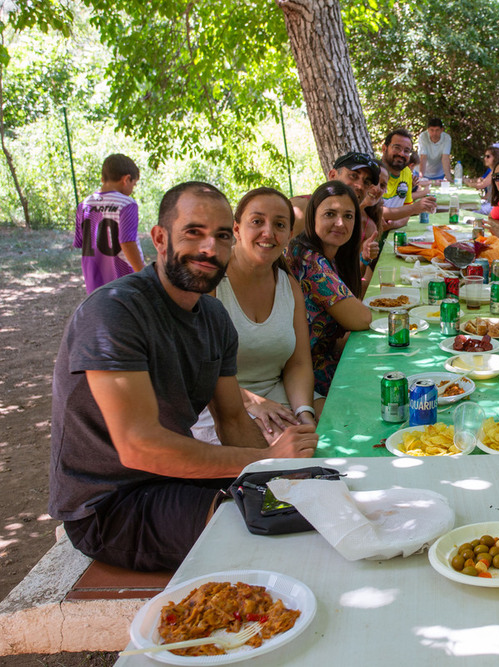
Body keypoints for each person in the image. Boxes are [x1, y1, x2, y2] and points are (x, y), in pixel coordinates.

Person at [49, 181, 319, 571]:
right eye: (194, 232)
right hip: (108, 504)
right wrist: (264, 458)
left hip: (175, 479)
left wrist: (274, 474)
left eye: (222, 236)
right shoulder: (114, 313)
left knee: (309, 503)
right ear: (160, 238)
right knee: (263, 535)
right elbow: (139, 446)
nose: (210, 249)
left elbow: (231, 418)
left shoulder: (214, 319)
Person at [190, 188, 319, 446]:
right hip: (220, 405)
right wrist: (254, 404)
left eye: (279, 224)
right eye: (257, 222)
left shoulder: (289, 286)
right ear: (236, 229)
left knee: (344, 422)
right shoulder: (211, 283)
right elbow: (197, 372)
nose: (268, 232)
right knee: (293, 452)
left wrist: (305, 413)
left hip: (279, 397)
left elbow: (298, 364)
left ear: (289, 235)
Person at [286, 180, 373, 396]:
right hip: (305, 372)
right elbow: (361, 318)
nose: (341, 223)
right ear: (312, 216)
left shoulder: (333, 254)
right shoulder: (308, 258)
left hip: (322, 357)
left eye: (348, 216)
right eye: (330, 214)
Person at [73, 154, 145, 293]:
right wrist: (143, 274)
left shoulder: (84, 205)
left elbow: (80, 242)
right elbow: (127, 242)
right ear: (126, 179)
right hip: (124, 280)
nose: (132, 189)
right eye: (133, 184)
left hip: (94, 281)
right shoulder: (126, 203)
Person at [329, 151, 383, 272]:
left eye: (366, 182)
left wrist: (364, 258)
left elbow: (352, 278)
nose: (360, 186)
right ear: (332, 175)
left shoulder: (363, 225)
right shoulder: (303, 209)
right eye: (353, 176)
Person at [380, 128, 436, 228]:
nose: (401, 154)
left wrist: (393, 224)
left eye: (406, 151)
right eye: (397, 148)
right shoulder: (372, 173)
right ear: (384, 149)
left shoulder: (406, 172)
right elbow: (375, 212)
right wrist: (414, 208)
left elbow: (406, 214)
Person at [417, 117, 452, 183]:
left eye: (437, 130)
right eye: (432, 130)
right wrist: (421, 177)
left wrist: (449, 178)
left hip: (438, 174)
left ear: (442, 130)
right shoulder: (423, 136)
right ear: (428, 130)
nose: (434, 133)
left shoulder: (447, 138)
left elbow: (445, 158)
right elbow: (423, 157)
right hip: (422, 171)